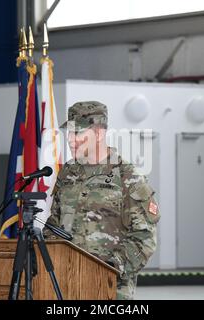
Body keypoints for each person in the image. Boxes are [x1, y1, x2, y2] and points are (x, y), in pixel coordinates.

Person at [45, 101, 160, 300]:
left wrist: (109, 267)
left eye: (78, 134)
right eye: (69, 134)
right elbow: (54, 225)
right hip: (66, 284)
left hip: (109, 289)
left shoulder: (127, 176)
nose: (71, 141)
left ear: (98, 134)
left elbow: (145, 238)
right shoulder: (68, 173)